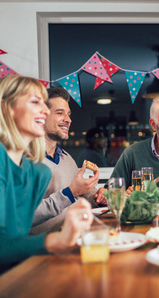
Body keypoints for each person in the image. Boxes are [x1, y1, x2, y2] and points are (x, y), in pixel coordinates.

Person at [0, 75, 93, 298]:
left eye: (44, 102)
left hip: (14, 274)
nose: (44, 109)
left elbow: (16, 239)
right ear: (7, 108)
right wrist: (59, 241)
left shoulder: (36, 172)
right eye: (35, 102)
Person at [30, 87, 106, 235]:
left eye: (68, 114)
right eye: (60, 113)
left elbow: (78, 195)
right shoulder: (25, 159)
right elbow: (25, 215)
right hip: (39, 248)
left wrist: (96, 197)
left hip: (71, 238)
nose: (68, 119)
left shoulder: (66, 159)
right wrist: (70, 192)